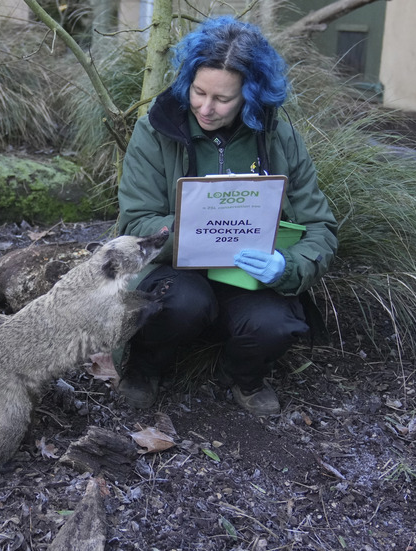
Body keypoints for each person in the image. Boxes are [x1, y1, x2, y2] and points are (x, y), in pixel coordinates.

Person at [115, 15, 338, 415]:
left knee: (276, 323)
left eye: (223, 99)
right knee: (180, 303)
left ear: (250, 97)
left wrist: (286, 267)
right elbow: (134, 224)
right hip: (176, 271)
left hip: (248, 276)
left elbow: (320, 228)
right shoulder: (154, 131)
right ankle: (144, 368)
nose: (205, 107)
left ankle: (245, 377)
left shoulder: (278, 137)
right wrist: (193, 230)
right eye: (198, 92)